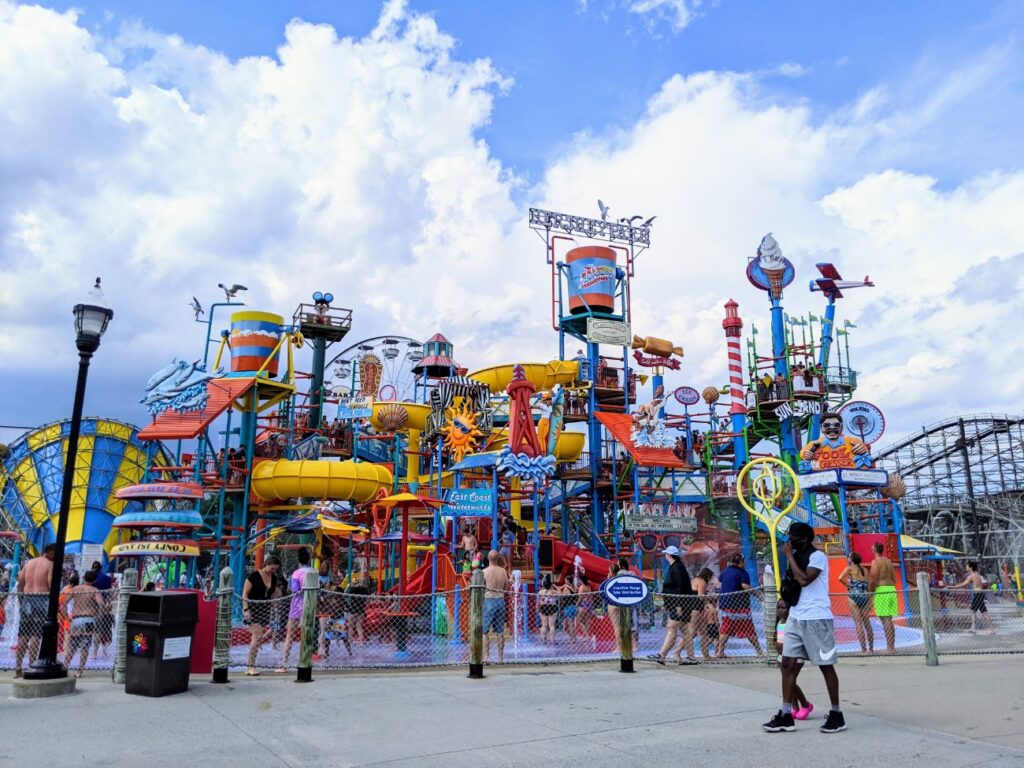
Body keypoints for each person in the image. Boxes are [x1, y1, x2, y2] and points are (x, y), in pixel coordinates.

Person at [763, 521, 846, 734]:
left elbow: (805, 579)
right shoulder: (798, 556)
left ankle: (836, 714)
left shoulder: (817, 557)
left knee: (825, 664)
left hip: (816, 617)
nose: (790, 540)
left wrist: (789, 556)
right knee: (787, 664)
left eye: (793, 537)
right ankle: (785, 714)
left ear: (804, 538)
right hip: (796, 616)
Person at [649, 546, 697, 664]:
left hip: (678, 604)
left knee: (671, 628)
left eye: (666, 553)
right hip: (681, 604)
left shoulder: (676, 568)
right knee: (685, 630)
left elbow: (680, 587)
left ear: (669, 555)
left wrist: (678, 606)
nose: (665, 555)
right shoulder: (678, 567)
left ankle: (662, 655)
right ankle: (691, 657)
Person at [14, 543, 55, 678]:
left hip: (27, 600)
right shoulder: (49, 564)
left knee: (23, 635)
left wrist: (21, 602)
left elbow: (20, 584)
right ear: (49, 552)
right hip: (42, 600)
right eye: (55, 554)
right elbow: (51, 585)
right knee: (36, 635)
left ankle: (18, 667)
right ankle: (32, 665)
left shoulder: (29, 563)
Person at [716, 554, 762, 658]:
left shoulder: (726, 570)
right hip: (739, 606)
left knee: (725, 628)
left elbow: (719, 581)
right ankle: (759, 651)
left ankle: (720, 652)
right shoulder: (742, 572)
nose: (745, 563)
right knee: (749, 628)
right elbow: (745, 586)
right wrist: (758, 594)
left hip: (725, 604)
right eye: (744, 561)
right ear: (740, 562)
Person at [242, 555, 282, 675]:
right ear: (266, 564)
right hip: (252, 609)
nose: (273, 571)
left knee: (257, 638)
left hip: (265, 610)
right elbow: (245, 594)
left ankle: (250, 665)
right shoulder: (253, 577)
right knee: (257, 635)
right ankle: (250, 667)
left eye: (275, 569)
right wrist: (245, 610)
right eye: (272, 568)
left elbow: (273, 595)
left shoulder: (273, 578)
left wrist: (276, 610)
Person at [279, 547, 316, 672]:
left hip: (296, 607)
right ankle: (304, 660)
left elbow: (294, 590)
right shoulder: (313, 572)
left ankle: (284, 664)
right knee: (306, 634)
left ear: (298, 559)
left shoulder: (296, 573)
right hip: (310, 606)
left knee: (290, 635)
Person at [775, 600, 812, 719]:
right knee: (787, 683)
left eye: (783, 608)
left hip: (794, 657)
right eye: (779, 608)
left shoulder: (793, 623)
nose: (780, 610)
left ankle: (805, 704)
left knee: (791, 682)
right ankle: (795, 707)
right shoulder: (780, 622)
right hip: (782, 657)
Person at [67, 570, 102, 678]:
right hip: (89, 619)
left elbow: (64, 602)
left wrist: (66, 616)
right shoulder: (94, 590)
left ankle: (64, 667)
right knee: (85, 647)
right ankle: (79, 671)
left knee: (72, 646)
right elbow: (102, 604)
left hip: (76, 619)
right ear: (95, 580)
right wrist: (98, 615)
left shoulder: (76, 589)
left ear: (83, 578)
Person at [838, 552, 874, 654]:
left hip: (853, 596)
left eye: (849, 557)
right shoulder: (866, 570)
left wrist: (848, 586)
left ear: (851, 559)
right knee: (867, 623)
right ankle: (871, 649)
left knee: (858, 623)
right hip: (864, 596)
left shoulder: (849, 568)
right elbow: (870, 583)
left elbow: (840, 578)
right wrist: (869, 596)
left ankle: (863, 650)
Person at [868, 542, 897, 654]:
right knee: (889, 619)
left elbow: (873, 579)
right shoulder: (889, 561)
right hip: (891, 589)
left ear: (874, 549)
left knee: (885, 620)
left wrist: (870, 593)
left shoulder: (875, 562)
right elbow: (894, 578)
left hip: (882, 590)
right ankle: (892, 646)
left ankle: (889, 647)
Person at [952, 561, 995, 634]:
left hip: (977, 594)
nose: (966, 567)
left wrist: (951, 587)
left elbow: (963, 584)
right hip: (980, 594)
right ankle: (976, 628)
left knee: (976, 611)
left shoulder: (971, 576)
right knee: (981, 612)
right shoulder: (977, 574)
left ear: (970, 567)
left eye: (967, 566)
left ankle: (988, 629)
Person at [482, 550, 509, 663]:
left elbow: (481, 588)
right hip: (500, 599)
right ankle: (501, 658)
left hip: (489, 599)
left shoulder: (484, 572)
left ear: (488, 558)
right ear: (498, 559)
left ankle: (486, 657)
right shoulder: (503, 571)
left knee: (484, 631)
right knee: (500, 630)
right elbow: (506, 587)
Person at [691, 567, 717, 659]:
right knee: (692, 633)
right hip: (696, 609)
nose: (710, 580)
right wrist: (710, 598)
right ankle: (677, 651)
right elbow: (701, 596)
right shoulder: (702, 582)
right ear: (707, 576)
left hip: (695, 608)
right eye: (710, 577)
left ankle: (706, 655)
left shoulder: (694, 579)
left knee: (704, 633)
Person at [537, 575, 558, 643]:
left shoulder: (540, 592)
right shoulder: (553, 592)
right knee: (552, 625)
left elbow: (538, 602)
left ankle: (544, 639)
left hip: (544, 607)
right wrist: (556, 587)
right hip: (552, 607)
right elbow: (561, 594)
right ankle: (553, 640)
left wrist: (537, 608)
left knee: (544, 625)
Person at [560, 573, 578, 641]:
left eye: (565, 579)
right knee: (570, 624)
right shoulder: (573, 587)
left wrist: (558, 589)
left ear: (567, 580)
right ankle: (574, 638)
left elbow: (562, 595)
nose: (564, 580)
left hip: (569, 607)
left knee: (570, 624)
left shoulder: (567, 588)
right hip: (572, 607)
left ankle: (572, 639)